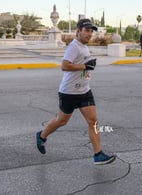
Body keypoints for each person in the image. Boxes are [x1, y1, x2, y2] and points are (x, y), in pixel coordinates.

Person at [36, 18, 116, 165]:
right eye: (86, 30)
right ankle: (41, 136)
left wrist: (87, 66)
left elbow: (82, 65)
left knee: (93, 121)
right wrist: (85, 66)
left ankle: (98, 154)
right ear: (78, 31)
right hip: (69, 92)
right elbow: (65, 66)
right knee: (62, 121)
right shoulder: (74, 47)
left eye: (91, 31)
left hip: (84, 91)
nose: (89, 34)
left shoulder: (84, 47)